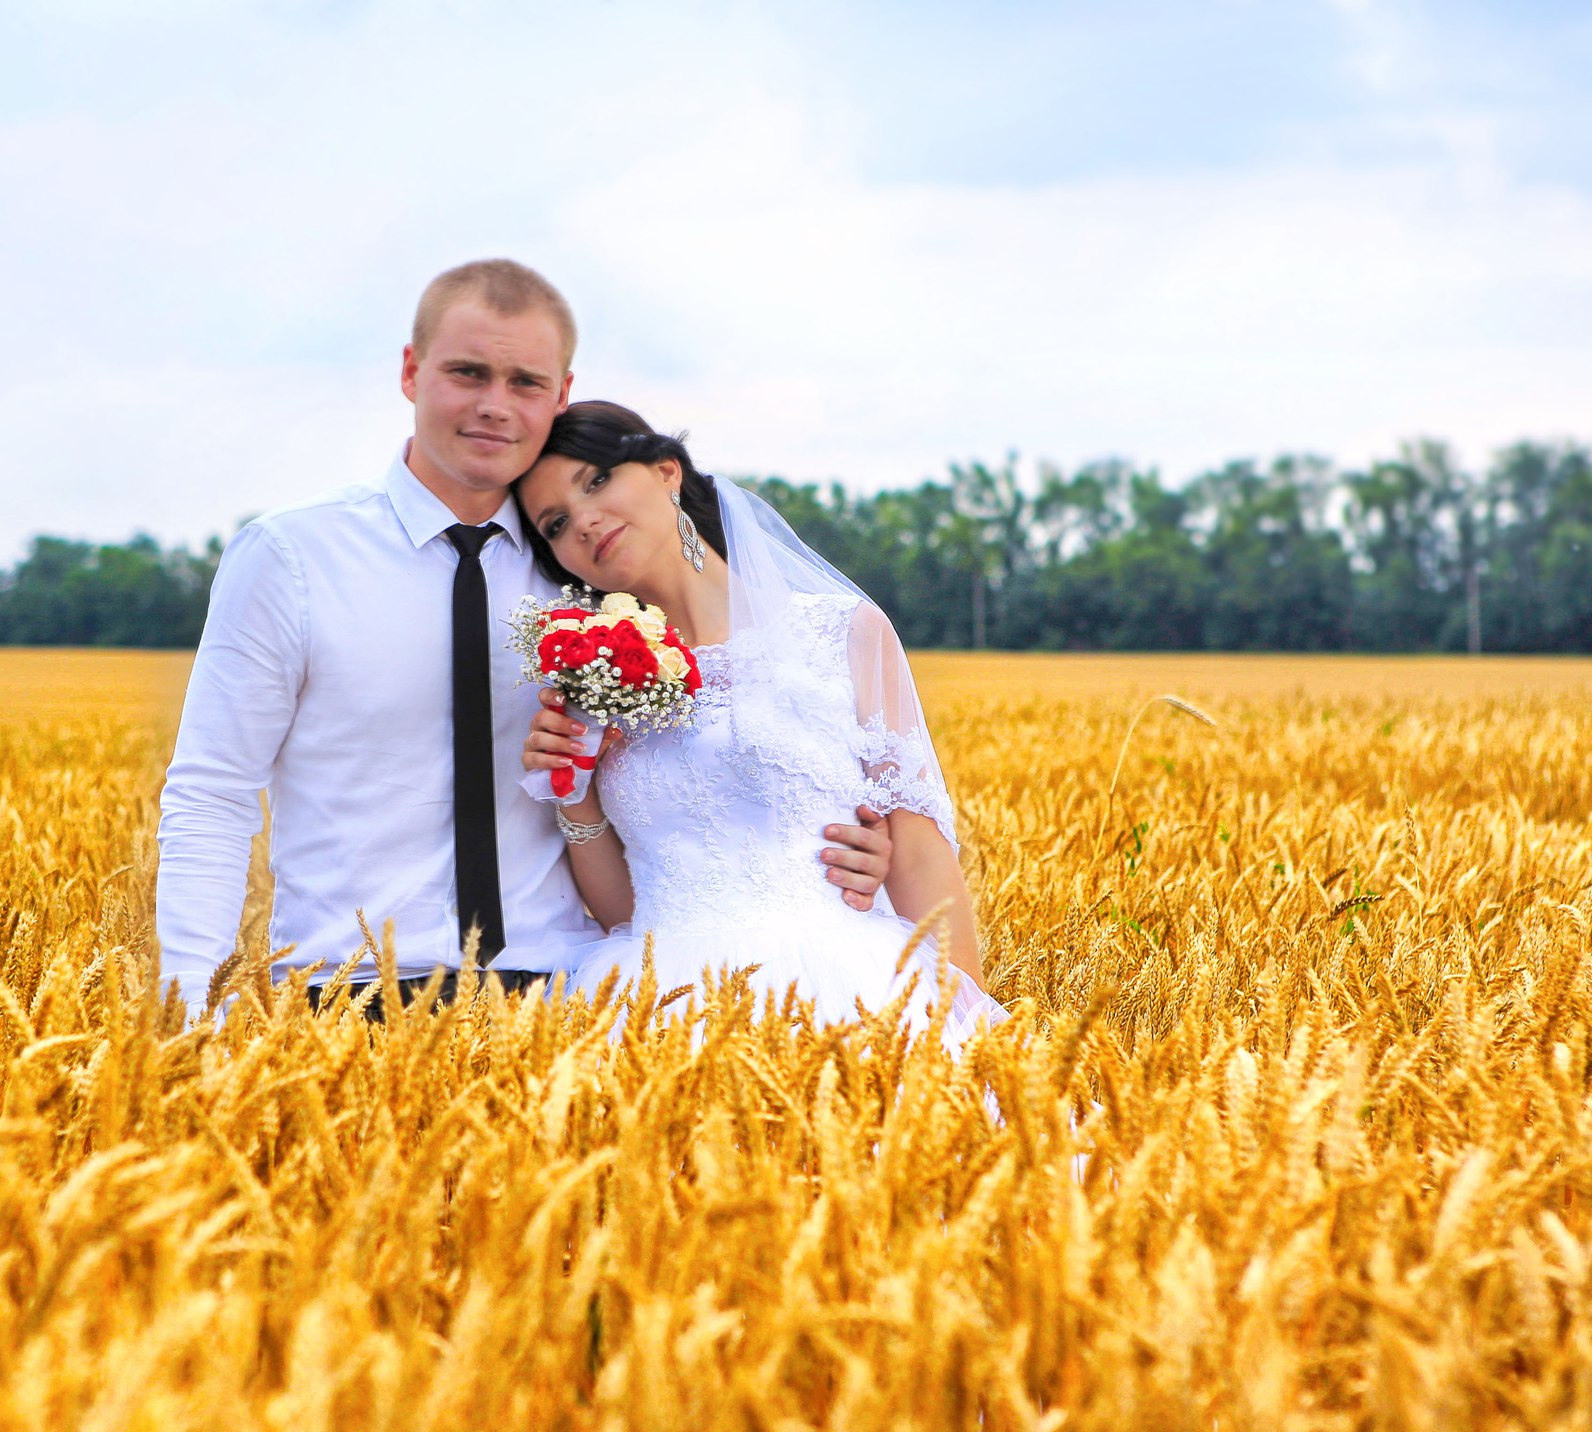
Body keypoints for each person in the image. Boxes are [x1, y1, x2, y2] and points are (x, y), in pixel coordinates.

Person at [154, 262, 896, 1012]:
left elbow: (729, 743)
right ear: (410, 372)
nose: (494, 406)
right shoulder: (292, 559)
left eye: (525, 383)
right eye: (467, 373)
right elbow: (213, 792)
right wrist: (188, 1012)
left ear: (561, 394)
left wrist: (837, 858)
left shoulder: (600, 577)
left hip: (566, 1000)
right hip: (350, 995)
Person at [518, 402, 1003, 1040]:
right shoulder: (594, 686)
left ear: (666, 472)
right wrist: (574, 793)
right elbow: (627, 913)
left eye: (598, 480)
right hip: (660, 1009)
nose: (583, 521)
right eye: (555, 523)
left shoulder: (841, 634)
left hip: (842, 990)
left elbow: (916, 849)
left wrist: (972, 1035)